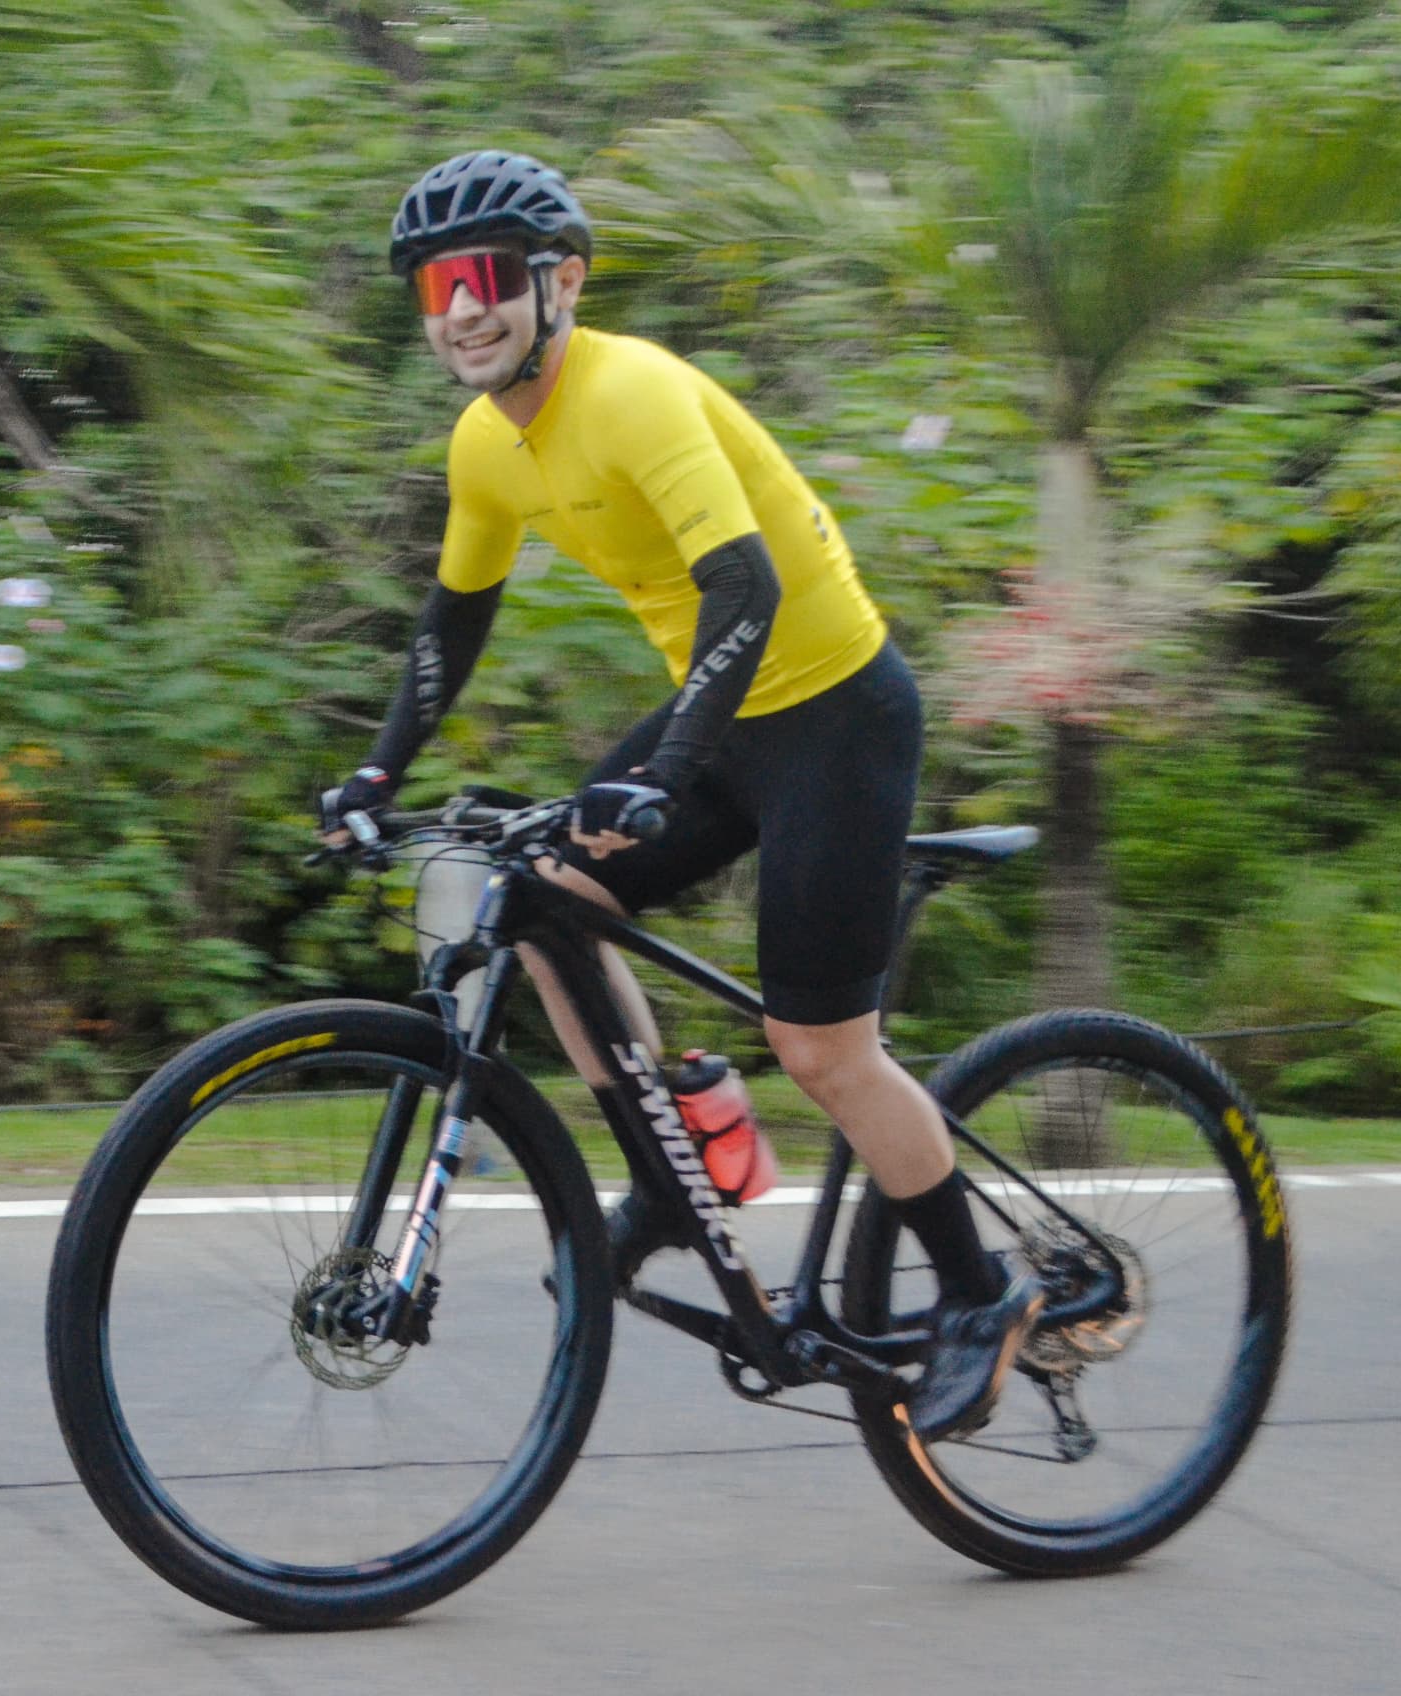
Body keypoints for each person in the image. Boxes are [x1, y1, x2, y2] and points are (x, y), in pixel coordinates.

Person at [321, 149, 1039, 1440]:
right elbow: (451, 624)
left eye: (483, 277)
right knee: (543, 898)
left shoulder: (633, 393)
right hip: (725, 712)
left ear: (561, 282)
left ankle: (984, 1289)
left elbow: (747, 589)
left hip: (834, 708)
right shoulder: (487, 445)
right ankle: (686, 1152)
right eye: (435, 287)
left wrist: (660, 771)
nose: (458, 311)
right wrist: (377, 773)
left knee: (822, 1050)